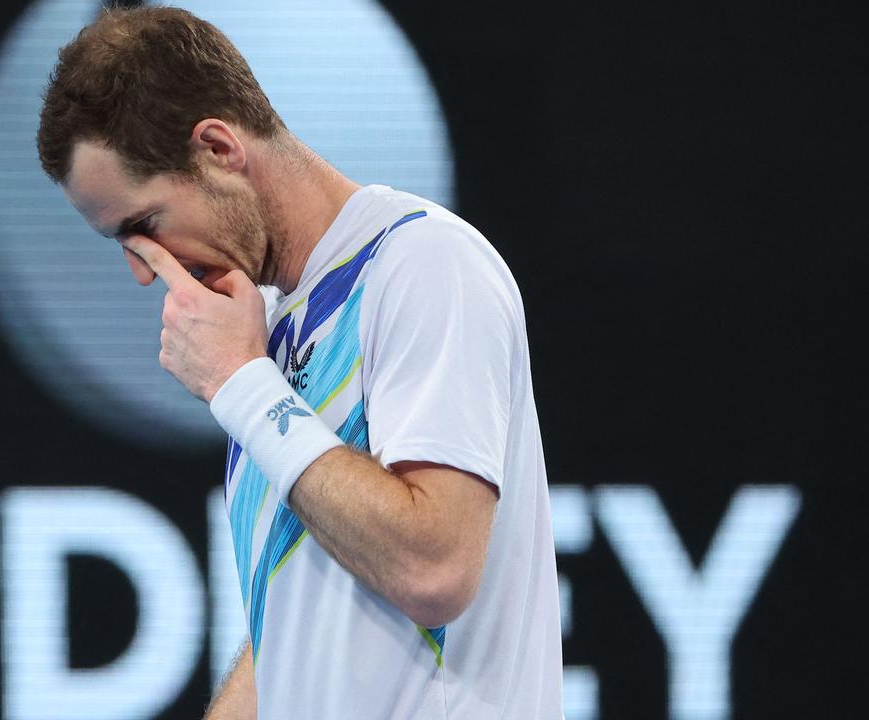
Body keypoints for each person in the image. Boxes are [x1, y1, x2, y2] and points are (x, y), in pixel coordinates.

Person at [36, 6, 562, 719]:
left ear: (219, 149)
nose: (143, 272)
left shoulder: (427, 265)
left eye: (144, 227)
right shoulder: (273, 333)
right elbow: (311, 603)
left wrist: (242, 385)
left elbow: (433, 566)